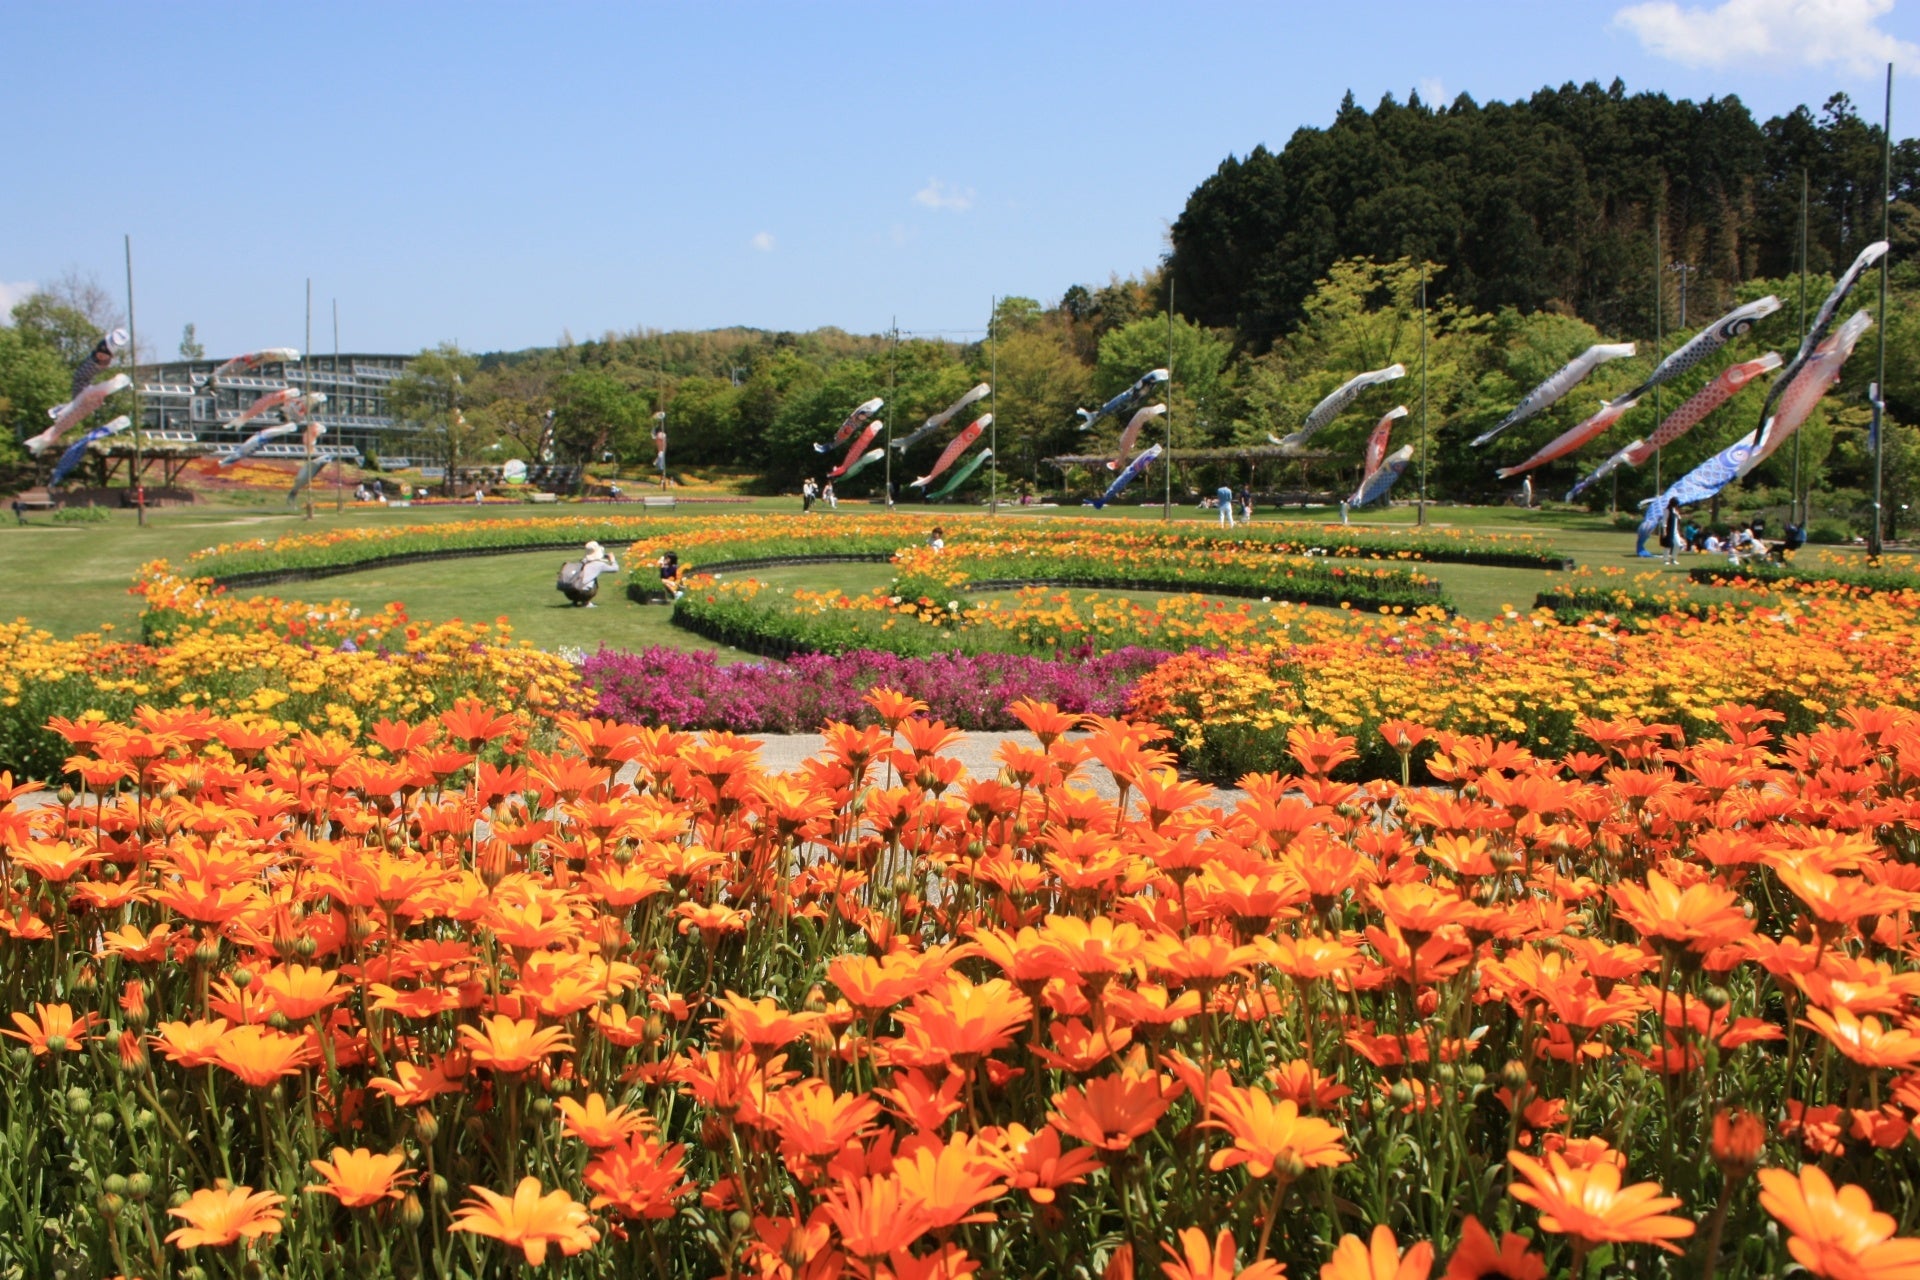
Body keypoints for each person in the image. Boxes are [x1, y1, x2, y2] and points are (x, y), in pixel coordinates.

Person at [557, 540, 619, 607]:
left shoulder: (583, 561)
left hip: (569, 593)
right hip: (584, 593)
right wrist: (612, 560)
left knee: (580, 579)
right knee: (593, 580)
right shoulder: (599, 564)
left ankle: (575, 602)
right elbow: (615, 569)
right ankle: (586, 602)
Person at [1661, 498, 1682, 565]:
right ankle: (1665, 560)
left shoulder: (1675, 511)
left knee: (1678, 544)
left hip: (1675, 531)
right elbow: (1664, 521)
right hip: (1669, 531)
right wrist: (1664, 530)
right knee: (1668, 546)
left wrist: (1678, 515)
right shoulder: (1667, 510)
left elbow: (1679, 518)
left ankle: (1673, 559)